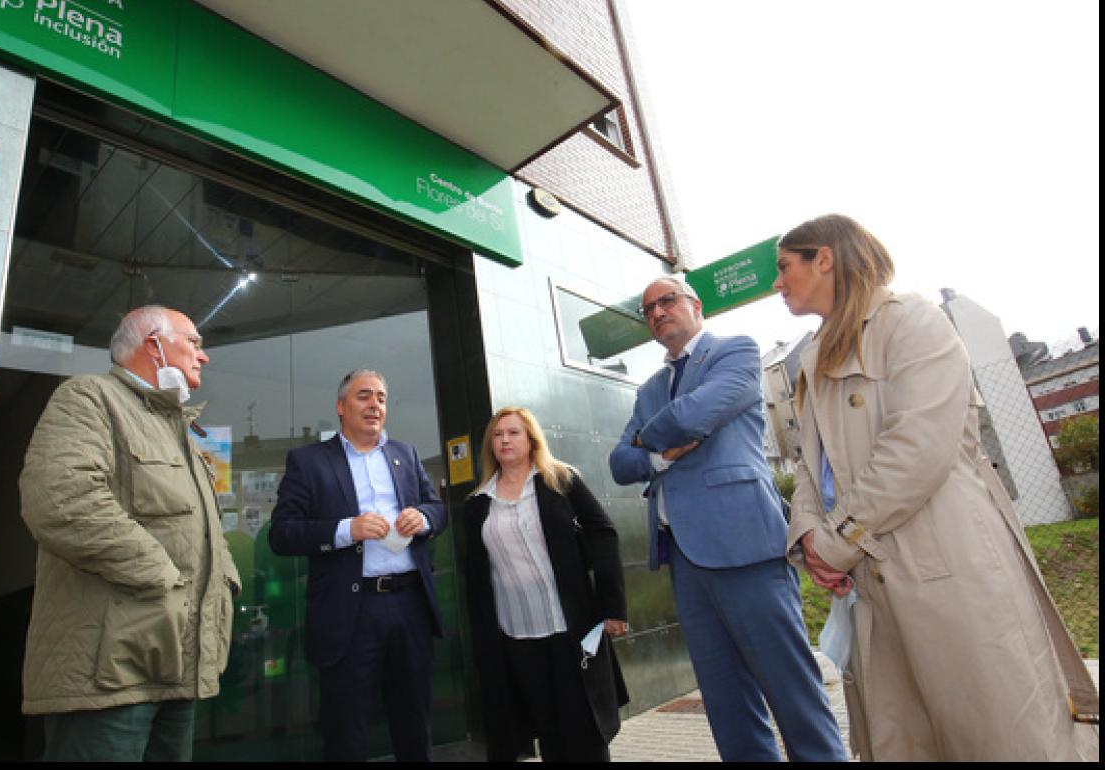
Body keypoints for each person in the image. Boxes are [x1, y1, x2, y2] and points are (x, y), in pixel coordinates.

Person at [774, 213, 1099, 761]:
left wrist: (832, 541)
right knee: (905, 737)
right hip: (872, 583)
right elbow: (811, 464)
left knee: (995, 734)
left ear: (823, 259)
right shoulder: (813, 358)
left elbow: (916, 450)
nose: (778, 283)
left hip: (946, 568)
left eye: (785, 268)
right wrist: (807, 532)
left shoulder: (913, 322)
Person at [609, 278, 847, 762]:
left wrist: (646, 441)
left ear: (695, 305)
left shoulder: (734, 351)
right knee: (726, 703)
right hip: (683, 557)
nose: (657, 311)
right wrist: (657, 458)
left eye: (666, 301)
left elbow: (697, 415)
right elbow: (618, 464)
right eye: (647, 308)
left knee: (790, 688)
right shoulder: (649, 389)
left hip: (745, 545)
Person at [18, 305, 241, 761]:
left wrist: (221, 584)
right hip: (110, 672)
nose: (205, 356)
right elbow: (62, 501)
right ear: (154, 345)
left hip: (178, 663)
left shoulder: (182, 430)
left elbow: (203, 536)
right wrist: (166, 577)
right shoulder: (89, 398)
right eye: (194, 342)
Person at [268, 369, 447, 762]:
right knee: (346, 730)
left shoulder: (405, 454)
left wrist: (425, 518)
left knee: (414, 723)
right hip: (350, 611)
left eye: (381, 398)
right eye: (364, 396)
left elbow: (437, 507)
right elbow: (281, 533)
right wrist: (347, 529)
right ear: (341, 406)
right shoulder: (309, 462)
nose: (375, 405)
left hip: (409, 605)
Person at [464, 407, 629, 762]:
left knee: (585, 734)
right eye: (497, 434)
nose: (505, 440)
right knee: (549, 734)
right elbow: (476, 581)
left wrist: (612, 607)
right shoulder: (478, 503)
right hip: (516, 638)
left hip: (569, 631)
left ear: (531, 439)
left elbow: (604, 535)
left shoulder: (560, 481)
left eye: (513, 433)